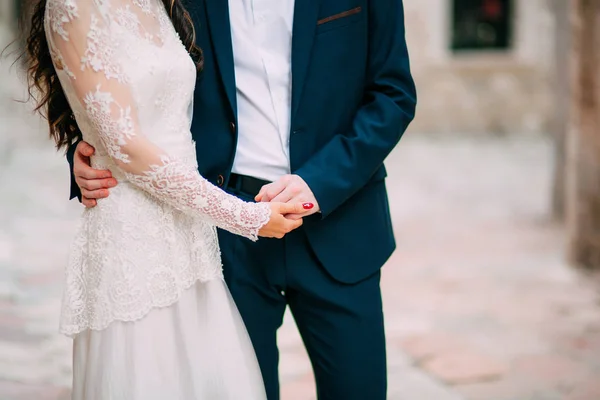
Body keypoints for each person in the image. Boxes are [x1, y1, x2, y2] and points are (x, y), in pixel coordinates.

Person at [69, 0, 417, 398]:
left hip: (340, 223)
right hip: (222, 232)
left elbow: (393, 94)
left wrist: (319, 183)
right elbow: (118, 67)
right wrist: (86, 153)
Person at [24, 0, 311, 398]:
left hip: (190, 237)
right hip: (134, 244)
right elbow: (123, 143)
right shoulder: (73, 5)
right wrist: (243, 215)